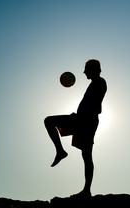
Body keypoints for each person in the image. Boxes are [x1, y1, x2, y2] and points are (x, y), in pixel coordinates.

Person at [44, 59, 107, 198]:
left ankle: (86, 190)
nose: (84, 72)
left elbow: (96, 106)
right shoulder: (95, 83)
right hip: (83, 119)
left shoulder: (100, 82)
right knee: (86, 155)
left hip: (86, 121)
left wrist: (80, 116)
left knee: (86, 155)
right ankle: (61, 152)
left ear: (93, 69)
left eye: (86, 69)